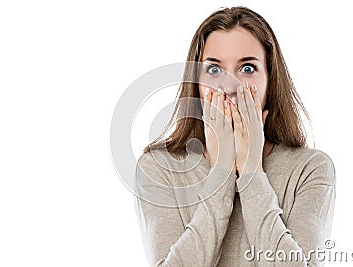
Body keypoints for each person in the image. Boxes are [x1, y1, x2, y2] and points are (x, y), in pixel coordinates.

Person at [134, 6, 336, 266]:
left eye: (248, 68)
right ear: (196, 83)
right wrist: (222, 172)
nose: (230, 86)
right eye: (214, 70)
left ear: (270, 80)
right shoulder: (158, 168)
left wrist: (251, 170)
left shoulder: (310, 169)